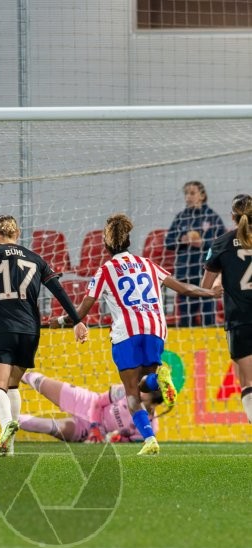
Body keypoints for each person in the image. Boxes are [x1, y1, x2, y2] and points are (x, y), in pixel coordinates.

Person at [60, 213, 222, 455]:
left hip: (127, 332)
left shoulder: (105, 270)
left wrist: (59, 321)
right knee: (147, 379)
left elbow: (82, 310)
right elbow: (184, 288)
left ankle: (149, 439)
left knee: (132, 392)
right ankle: (160, 378)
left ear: (106, 245)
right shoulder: (148, 264)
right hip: (156, 328)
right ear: (128, 241)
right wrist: (210, 293)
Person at [0, 215, 88, 457]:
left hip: (2, 327)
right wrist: (77, 321)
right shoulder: (36, 259)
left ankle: (6, 425)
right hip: (30, 331)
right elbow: (58, 289)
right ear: (18, 233)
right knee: (13, 384)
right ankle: (10, 448)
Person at [0, 371, 164, 443]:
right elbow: (98, 402)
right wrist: (96, 427)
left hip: (87, 432)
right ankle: (11, 371)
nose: (140, 389)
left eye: (145, 390)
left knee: (49, 427)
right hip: (86, 403)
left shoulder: (149, 428)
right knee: (40, 382)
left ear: (152, 400)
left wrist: (110, 438)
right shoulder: (126, 390)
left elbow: (126, 443)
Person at [202, 194, 252, 423]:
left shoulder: (221, 243)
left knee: (249, 383)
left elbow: (205, 286)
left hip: (240, 321)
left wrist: (220, 282)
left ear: (232, 216)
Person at [164, 181, 226, 326]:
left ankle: (211, 341)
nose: (188, 197)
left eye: (192, 193)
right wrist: (182, 240)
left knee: (207, 311)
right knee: (186, 313)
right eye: (186, 193)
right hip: (185, 272)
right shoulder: (181, 217)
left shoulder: (212, 217)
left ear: (202, 195)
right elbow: (168, 242)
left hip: (206, 272)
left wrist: (203, 243)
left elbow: (222, 243)